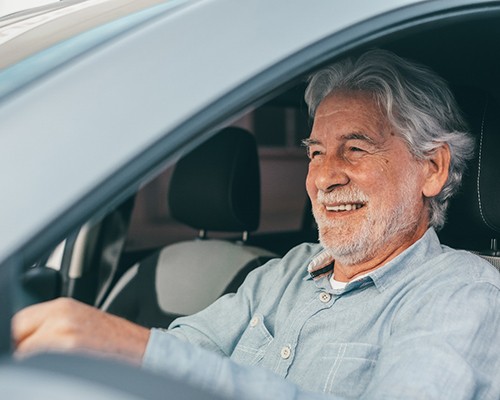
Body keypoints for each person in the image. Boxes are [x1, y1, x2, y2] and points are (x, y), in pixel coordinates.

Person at [13, 49, 500, 399]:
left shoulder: (461, 290)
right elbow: (187, 350)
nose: (325, 177)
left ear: (432, 169)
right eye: (315, 152)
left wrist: (133, 349)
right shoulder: (283, 274)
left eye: (355, 148)